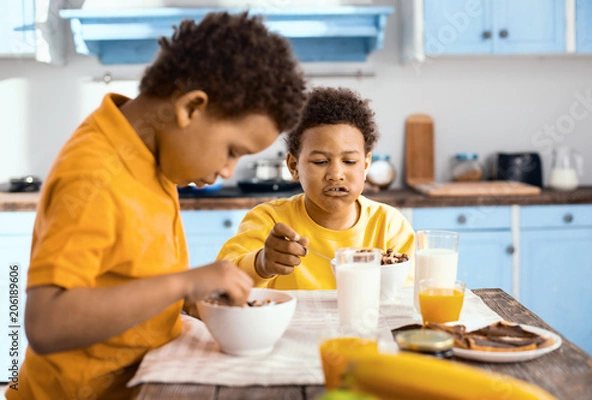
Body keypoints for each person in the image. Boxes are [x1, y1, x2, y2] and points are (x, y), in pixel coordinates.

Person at [7, 12, 306, 400]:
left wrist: (193, 297)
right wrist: (185, 282)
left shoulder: (150, 156)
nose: (227, 170)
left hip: (145, 378)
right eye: (232, 151)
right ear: (190, 109)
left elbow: (128, 277)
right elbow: (47, 324)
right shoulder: (95, 174)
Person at [217, 87, 415, 290]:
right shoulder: (269, 220)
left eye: (349, 161)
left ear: (365, 165)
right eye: (320, 161)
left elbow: (408, 301)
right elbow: (218, 285)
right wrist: (261, 264)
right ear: (294, 166)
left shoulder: (389, 226)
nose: (336, 174)